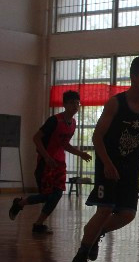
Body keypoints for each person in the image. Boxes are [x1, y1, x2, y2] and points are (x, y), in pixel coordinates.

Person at [71, 56, 139, 262]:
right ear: (133, 77)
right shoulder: (116, 103)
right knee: (105, 209)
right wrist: (107, 163)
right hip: (108, 163)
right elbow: (97, 137)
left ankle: (95, 233)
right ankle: (81, 257)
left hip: (131, 166)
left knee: (128, 214)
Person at [9, 91, 91, 233]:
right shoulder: (54, 121)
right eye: (72, 103)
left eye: (78, 103)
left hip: (59, 164)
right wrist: (46, 157)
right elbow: (36, 138)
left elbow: (64, 144)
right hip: (46, 163)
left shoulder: (73, 123)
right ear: (64, 104)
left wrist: (80, 154)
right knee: (47, 196)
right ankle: (20, 203)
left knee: (57, 194)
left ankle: (38, 224)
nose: (75, 106)